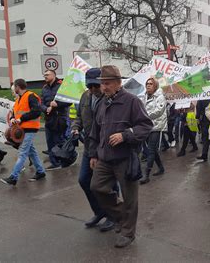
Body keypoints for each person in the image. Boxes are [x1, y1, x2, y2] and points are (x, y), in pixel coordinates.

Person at [89, 65, 153, 248]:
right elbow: (95, 131)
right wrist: (93, 154)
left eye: (107, 84)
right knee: (97, 187)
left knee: (130, 198)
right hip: (104, 158)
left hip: (126, 158)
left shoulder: (132, 101)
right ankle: (121, 217)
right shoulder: (102, 103)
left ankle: (128, 233)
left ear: (118, 83)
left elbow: (146, 126)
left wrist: (125, 135)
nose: (104, 87)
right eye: (102, 84)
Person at [71, 68, 115, 231]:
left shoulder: (109, 98)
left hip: (105, 147)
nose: (93, 90)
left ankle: (113, 216)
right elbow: (79, 118)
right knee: (84, 180)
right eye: (90, 86)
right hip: (89, 146)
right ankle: (100, 211)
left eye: (96, 86)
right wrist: (76, 128)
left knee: (108, 184)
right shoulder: (85, 96)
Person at [0, 79, 46, 186]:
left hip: (30, 128)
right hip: (23, 129)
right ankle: (40, 171)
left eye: (14, 87)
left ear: (17, 87)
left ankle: (13, 177)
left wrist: (21, 119)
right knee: (31, 151)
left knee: (22, 152)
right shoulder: (19, 99)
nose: (13, 89)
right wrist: (12, 118)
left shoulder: (30, 96)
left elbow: (37, 111)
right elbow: (15, 113)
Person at [40, 70, 71, 170]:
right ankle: (54, 163)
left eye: (47, 74)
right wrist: (45, 108)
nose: (45, 76)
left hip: (60, 117)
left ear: (54, 75)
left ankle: (66, 159)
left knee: (60, 141)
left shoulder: (62, 86)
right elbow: (40, 103)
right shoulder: (44, 88)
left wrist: (58, 104)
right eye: (44, 75)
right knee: (50, 142)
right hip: (49, 118)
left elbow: (69, 101)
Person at [139, 78, 167, 185]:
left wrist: (144, 116)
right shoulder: (144, 97)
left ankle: (146, 174)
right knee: (153, 150)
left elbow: (159, 111)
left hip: (156, 126)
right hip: (146, 126)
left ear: (155, 86)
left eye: (150, 84)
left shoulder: (160, 97)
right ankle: (161, 168)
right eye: (147, 84)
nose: (148, 85)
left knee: (150, 150)